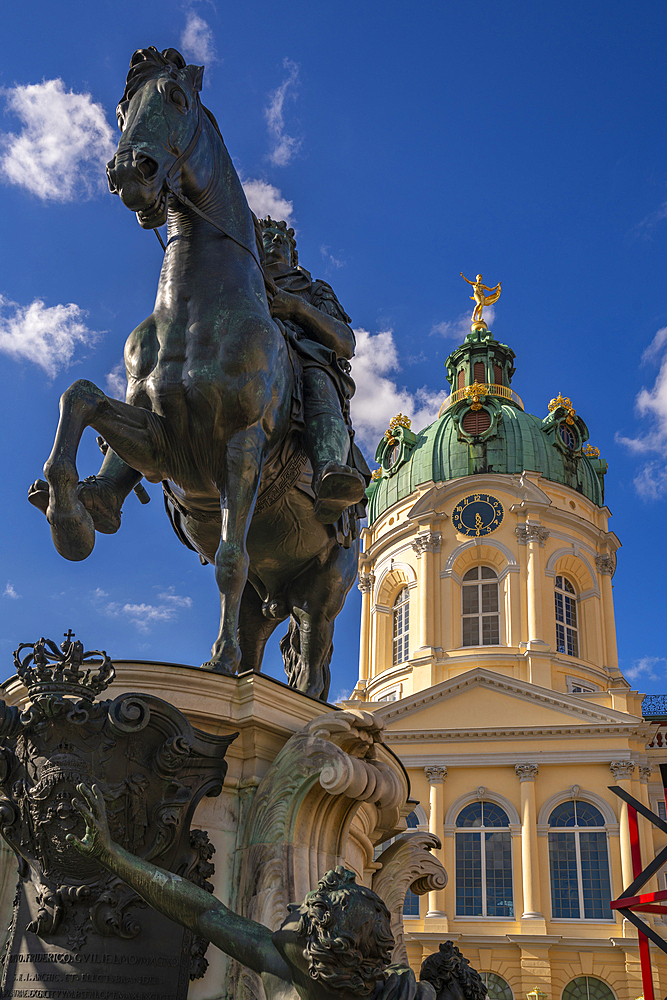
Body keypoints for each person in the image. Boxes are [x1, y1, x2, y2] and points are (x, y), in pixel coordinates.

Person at [68, 784, 435, 1000]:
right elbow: (201, 912)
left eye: (303, 911)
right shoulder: (283, 963)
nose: (291, 904)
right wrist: (112, 856)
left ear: (318, 945)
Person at [261, 217, 367, 524]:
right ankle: (117, 475)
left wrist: (297, 308)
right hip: (237, 356)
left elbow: (344, 343)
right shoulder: (235, 279)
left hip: (300, 355)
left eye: (281, 238)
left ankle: (328, 470)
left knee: (317, 380)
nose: (274, 240)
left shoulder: (314, 289)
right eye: (266, 237)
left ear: (293, 253)